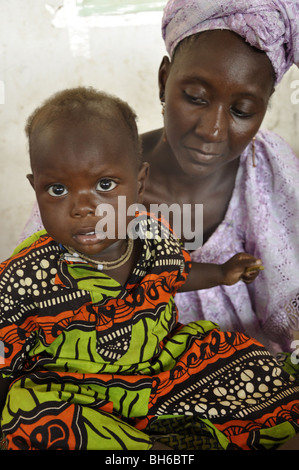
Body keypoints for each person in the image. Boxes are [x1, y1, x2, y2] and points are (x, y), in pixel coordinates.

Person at [1, 86, 299, 451]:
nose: (82, 207)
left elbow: (175, 274)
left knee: (243, 358)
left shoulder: (152, 236)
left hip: (162, 367)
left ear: (139, 184)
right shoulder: (26, 274)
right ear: (36, 189)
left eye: (105, 185)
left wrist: (221, 273)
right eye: (58, 190)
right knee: (31, 416)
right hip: (79, 388)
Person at [18, 0, 299, 356]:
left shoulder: (265, 167)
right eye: (196, 98)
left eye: (242, 110)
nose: (212, 131)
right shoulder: (89, 176)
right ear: (164, 79)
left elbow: (288, 305)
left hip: (231, 369)